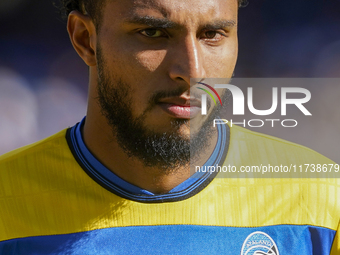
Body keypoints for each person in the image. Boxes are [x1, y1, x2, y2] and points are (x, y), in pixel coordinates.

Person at [0, 0, 339, 254]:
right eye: (153, 33)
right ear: (85, 40)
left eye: (213, 34)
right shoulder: (8, 202)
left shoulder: (322, 200)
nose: (192, 71)